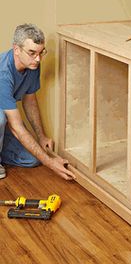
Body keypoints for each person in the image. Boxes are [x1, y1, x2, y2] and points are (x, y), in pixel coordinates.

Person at [0, 23, 75, 180]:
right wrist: (51, 163)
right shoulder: (3, 74)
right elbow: (17, 128)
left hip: (6, 120)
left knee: (32, 160)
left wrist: (41, 136)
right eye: (32, 53)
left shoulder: (32, 64)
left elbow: (30, 100)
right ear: (16, 49)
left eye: (41, 53)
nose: (38, 59)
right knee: (1, 118)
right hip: (4, 120)